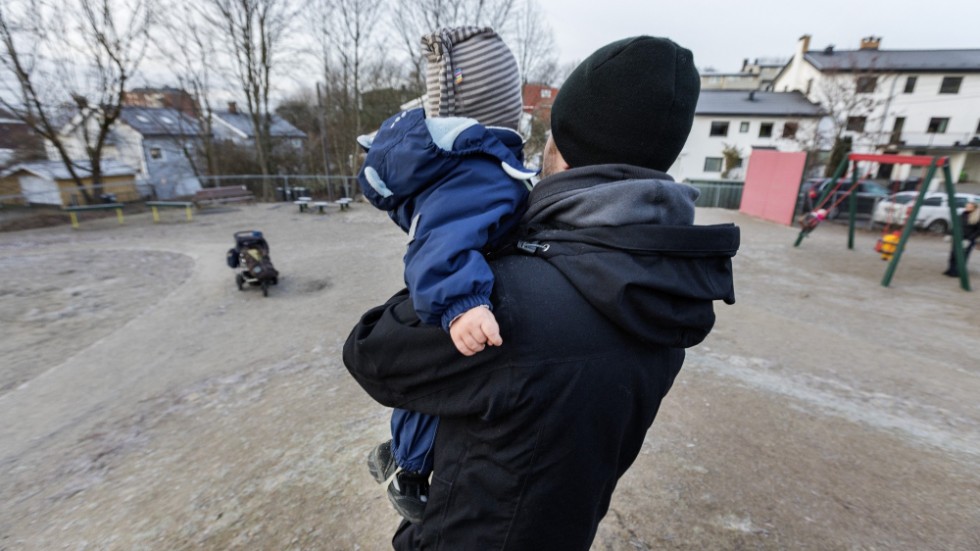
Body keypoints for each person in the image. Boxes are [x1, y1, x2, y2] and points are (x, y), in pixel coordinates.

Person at [345, 35, 740, 549]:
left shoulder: (513, 297)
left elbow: (372, 351)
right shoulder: (673, 289)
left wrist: (452, 234)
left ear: (560, 142)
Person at [354, 26, 535, 524]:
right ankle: (404, 466)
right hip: (458, 295)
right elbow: (440, 246)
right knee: (434, 398)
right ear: (500, 106)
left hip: (464, 281)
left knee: (434, 393)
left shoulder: (475, 161)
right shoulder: (480, 171)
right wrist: (463, 304)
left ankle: (401, 456)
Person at [943, 200, 980, 277]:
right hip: (958, 238)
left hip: (967, 239)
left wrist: (969, 239)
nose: (967, 207)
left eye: (969, 206)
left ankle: (958, 271)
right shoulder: (962, 215)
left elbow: (978, 231)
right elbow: (955, 225)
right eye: (967, 206)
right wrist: (949, 234)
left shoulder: (976, 218)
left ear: (974, 208)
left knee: (962, 256)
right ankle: (951, 270)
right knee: (953, 254)